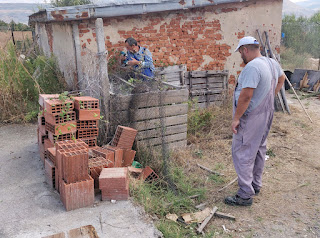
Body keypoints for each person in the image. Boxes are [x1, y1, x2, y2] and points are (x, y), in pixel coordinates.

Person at [224, 36, 285, 206]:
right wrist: (270, 95)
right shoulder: (271, 63)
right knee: (259, 149)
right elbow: (281, 79)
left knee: (243, 152)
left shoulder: (252, 67)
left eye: (240, 53)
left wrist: (236, 118)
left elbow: (246, 96)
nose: (241, 57)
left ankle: (244, 195)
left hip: (251, 117)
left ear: (245, 50)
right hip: (266, 114)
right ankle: (255, 185)